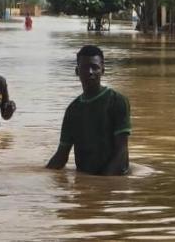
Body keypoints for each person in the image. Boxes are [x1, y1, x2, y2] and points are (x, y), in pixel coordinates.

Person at [46, 45, 131, 175]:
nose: (90, 72)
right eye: (85, 67)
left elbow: (122, 151)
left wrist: (102, 184)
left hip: (114, 180)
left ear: (103, 70)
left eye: (95, 67)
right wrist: (40, 177)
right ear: (77, 71)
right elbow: (61, 156)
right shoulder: (73, 110)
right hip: (85, 181)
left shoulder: (117, 101)